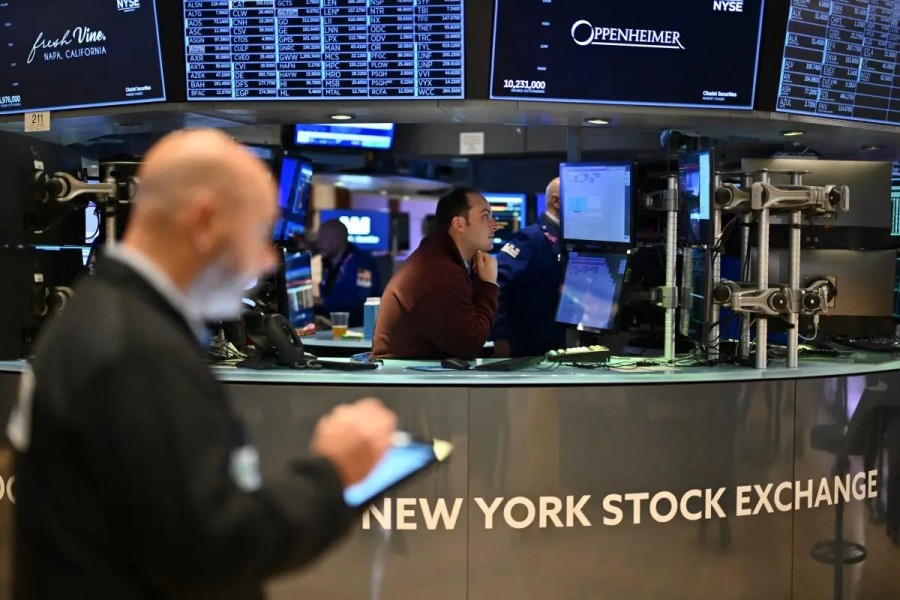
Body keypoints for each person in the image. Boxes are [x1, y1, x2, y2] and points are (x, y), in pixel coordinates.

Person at [6, 129, 398, 599]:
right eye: (258, 235)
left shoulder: (102, 316)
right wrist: (333, 473)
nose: (267, 262)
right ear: (205, 220)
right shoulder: (138, 352)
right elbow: (212, 550)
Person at [371, 187, 499, 359]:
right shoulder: (440, 272)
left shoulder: (440, 259)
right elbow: (469, 345)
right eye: (485, 216)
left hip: (415, 371)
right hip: (406, 374)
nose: (494, 225)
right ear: (459, 224)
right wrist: (489, 286)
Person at [492, 177, 567, 357]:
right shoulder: (529, 239)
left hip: (557, 346)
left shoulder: (567, 240)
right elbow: (496, 286)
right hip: (528, 350)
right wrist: (500, 339)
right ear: (556, 201)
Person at [314, 218, 381, 327]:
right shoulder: (327, 263)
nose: (318, 243)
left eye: (323, 239)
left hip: (360, 329)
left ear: (338, 239)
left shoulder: (363, 264)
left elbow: (361, 299)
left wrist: (322, 301)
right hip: (332, 326)